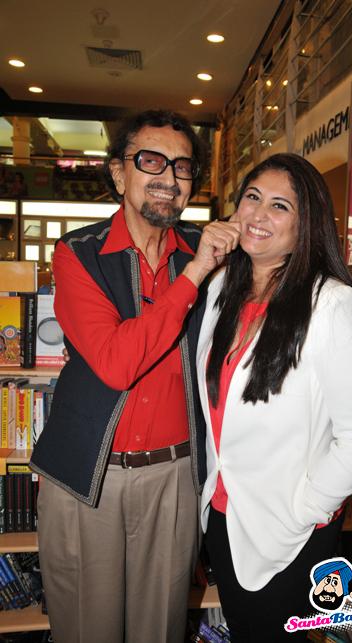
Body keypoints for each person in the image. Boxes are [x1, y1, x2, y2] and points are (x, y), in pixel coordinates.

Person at [30, 109, 240, 643]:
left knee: (161, 629)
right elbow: (116, 362)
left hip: (176, 476)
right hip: (88, 477)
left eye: (182, 167)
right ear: (119, 174)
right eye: (151, 161)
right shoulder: (78, 253)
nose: (168, 177)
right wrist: (195, 275)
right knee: (87, 628)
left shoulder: (208, 250)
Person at [196, 153, 352, 641]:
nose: (259, 214)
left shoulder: (330, 304)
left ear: (306, 226)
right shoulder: (220, 287)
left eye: (280, 206)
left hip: (290, 524)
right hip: (225, 512)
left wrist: (310, 508)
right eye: (253, 197)